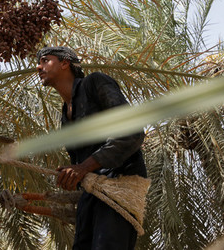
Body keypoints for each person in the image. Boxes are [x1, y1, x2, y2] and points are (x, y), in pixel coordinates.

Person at [36, 46, 147, 250]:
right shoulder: (65, 114)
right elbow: (79, 165)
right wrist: (71, 176)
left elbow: (133, 132)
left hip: (118, 187)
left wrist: (83, 167)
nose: (38, 67)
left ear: (64, 63)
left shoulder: (95, 83)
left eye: (45, 60)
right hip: (90, 196)